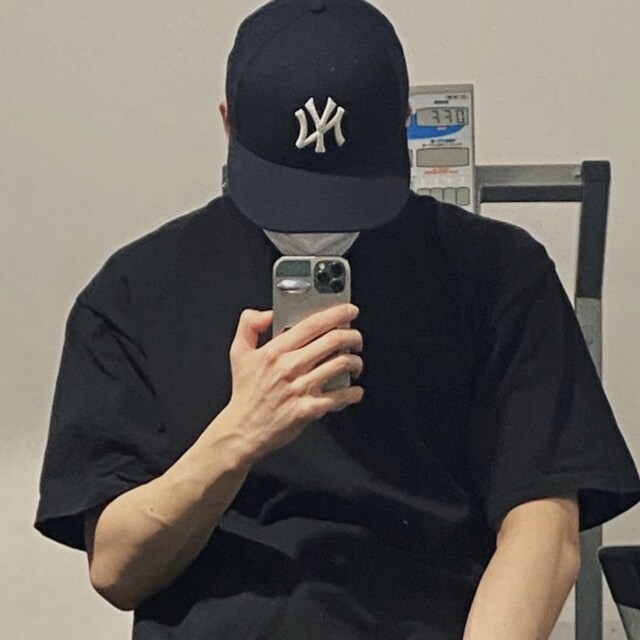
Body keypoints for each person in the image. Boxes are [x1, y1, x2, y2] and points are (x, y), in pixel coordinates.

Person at [34, 0, 640, 638]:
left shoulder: (499, 275)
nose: (316, 224)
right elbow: (117, 570)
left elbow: (544, 530)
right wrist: (240, 433)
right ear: (227, 123)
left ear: (406, 124)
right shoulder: (134, 292)